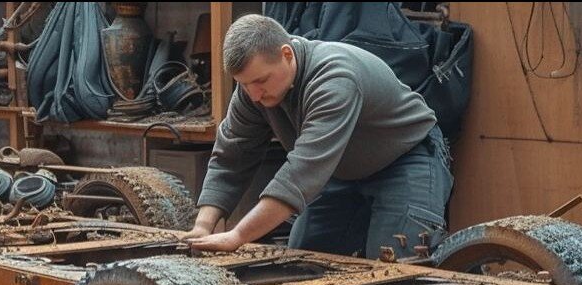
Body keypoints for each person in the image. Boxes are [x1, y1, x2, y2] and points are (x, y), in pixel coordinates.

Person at [184, 14, 452, 259]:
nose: (253, 95)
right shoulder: (252, 93)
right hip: (340, 170)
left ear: (286, 54)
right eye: (244, 84)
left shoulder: (335, 79)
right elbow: (232, 157)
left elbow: (301, 172)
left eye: (260, 81)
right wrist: (203, 226)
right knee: (301, 260)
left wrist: (238, 236)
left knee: (396, 265)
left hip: (406, 159)